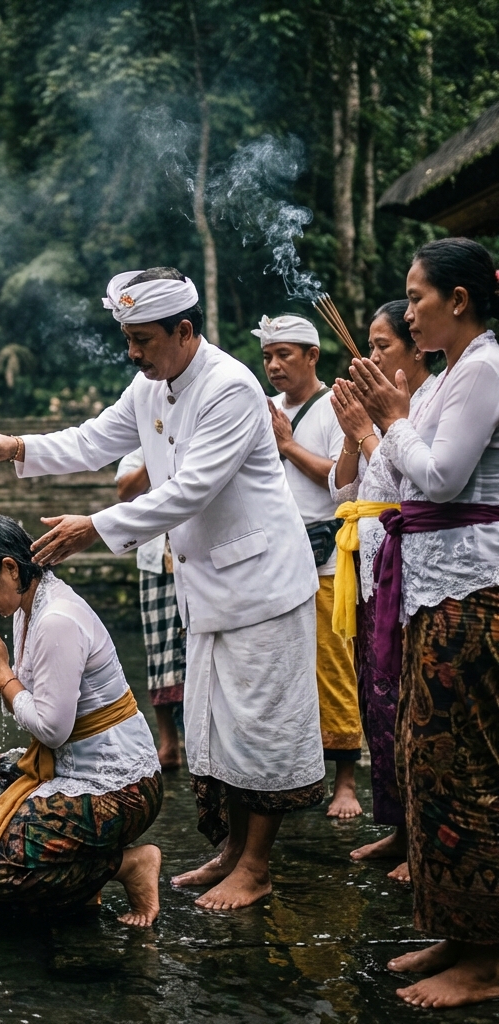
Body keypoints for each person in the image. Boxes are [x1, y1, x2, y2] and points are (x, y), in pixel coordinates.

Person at [0, 268, 324, 911]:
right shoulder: (153, 382)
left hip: (263, 583)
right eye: (127, 337)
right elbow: (98, 438)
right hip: (209, 585)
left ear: (184, 332)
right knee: (217, 727)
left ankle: (258, 866)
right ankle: (231, 852)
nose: (132, 352)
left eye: (142, 339)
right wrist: (17, 446)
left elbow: (190, 490)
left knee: (264, 725)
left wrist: (94, 528)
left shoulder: (231, 388)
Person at [350, 237, 499, 1009]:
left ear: (460, 299)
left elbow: (439, 476)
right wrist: (384, 426)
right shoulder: (448, 376)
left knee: (467, 764)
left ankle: (488, 955)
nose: (409, 313)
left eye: (416, 298)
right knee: (428, 759)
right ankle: (457, 927)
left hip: (476, 588)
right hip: (433, 589)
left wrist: (393, 417)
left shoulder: (485, 368)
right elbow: (393, 474)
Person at [0, 512, 164, 926]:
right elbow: (31, 706)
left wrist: (1, 673)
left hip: (121, 787)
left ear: (9, 567)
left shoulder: (57, 618)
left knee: (0, 867)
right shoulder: (26, 609)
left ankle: (129, 865)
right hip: (65, 767)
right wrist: (3, 675)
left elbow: (52, 730)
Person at [328, 301, 436, 882]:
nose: (370, 357)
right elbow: (340, 485)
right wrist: (355, 434)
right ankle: (398, 829)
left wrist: (371, 432)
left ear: (416, 348)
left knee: (407, 703)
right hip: (368, 565)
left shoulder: (430, 403)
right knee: (378, 700)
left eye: (381, 346)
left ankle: (422, 836)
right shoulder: (380, 409)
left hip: (410, 567)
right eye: (368, 346)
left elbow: (408, 484)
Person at [260, 314, 364, 819]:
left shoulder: (333, 407)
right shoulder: (269, 408)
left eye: (285, 355)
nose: (274, 366)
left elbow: (342, 479)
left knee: (333, 665)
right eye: (267, 356)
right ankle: (297, 774)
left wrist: (287, 445)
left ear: (312, 356)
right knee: (284, 669)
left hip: (324, 554)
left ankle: (346, 781)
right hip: (278, 554)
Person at [115, 448, 185, 768]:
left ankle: (203, 739)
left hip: (198, 559)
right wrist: (156, 457)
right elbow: (124, 491)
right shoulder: (140, 447)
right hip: (156, 561)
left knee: (200, 649)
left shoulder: (196, 433)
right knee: (159, 653)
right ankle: (169, 742)